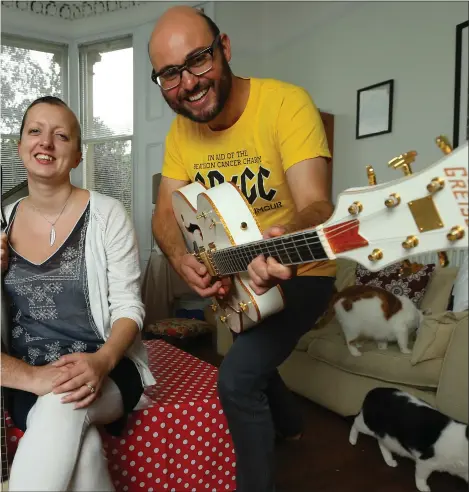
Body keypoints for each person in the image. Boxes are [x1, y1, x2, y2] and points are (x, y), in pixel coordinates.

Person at [149, 7, 336, 492]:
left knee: (235, 379)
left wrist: (281, 239)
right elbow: (163, 215)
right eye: (170, 74)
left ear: (224, 49)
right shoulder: (180, 132)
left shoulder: (286, 104)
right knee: (247, 346)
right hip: (234, 270)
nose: (188, 83)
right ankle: (291, 422)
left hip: (303, 270)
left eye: (198, 61)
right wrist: (179, 260)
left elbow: (318, 205)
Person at [0, 96, 155, 491]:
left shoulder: (108, 215)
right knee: (83, 452)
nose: (46, 143)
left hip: (108, 368)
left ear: (77, 155)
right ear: (20, 147)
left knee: (60, 404)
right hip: (28, 377)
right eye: (35, 131)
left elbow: (128, 307)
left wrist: (101, 361)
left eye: (61, 135)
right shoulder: (1, 223)